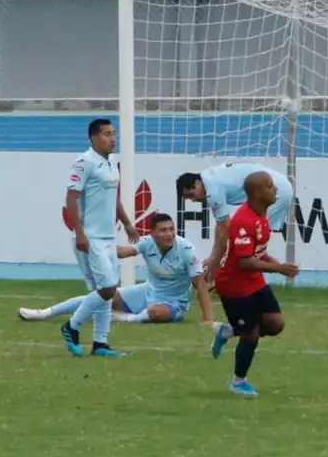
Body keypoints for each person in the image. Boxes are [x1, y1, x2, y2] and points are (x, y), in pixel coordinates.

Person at [19, 214, 213, 324]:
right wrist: (96, 244)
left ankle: (125, 318)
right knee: (101, 295)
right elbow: (122, 252)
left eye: (171, 229)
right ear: (152, 232)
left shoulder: (187, 249)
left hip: (174, 303)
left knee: (155, 313)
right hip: (146, 292)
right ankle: (44, 313)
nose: (169, 234)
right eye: (163, 230)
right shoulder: (147, 243)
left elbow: (201, 286)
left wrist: (208, 321)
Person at [209, 171, 300, 397]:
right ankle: (238, 382)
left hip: (254, 282)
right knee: (252, 333)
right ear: (257, 193)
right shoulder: (243, 221)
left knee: (276, 323)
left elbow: (258, 251)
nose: (275, 190)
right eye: (270, 186)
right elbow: (245, 262)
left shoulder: (262, 216)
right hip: (234, 287)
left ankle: (228, 331)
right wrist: (278, 269)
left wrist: (274, 262)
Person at [60, 118, 139, 357]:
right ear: (94, 138)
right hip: (91, 237)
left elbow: (114, 197)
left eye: (113, 133)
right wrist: (80, 232)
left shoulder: (112, 162)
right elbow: (71, 198)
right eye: (106, 134)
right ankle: (71, 326)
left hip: (107, 237)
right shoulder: (84, 162)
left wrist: (127, 223)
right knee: (107, 289)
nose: (112, 138)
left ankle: (100, 344)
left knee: (103, 293)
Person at [176, 163, 295, 281]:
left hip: (276, 191)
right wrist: (213, 258)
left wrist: (214, 263)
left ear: (197, 183)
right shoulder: (210, 177)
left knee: (248, 242)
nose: (194, 199)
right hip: (279, 186)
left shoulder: (213, 190)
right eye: (189, 199)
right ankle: (278, 269)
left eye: (192, 195)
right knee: (252, 242)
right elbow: (221, 227)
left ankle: (248, 279)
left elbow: (225, 228)